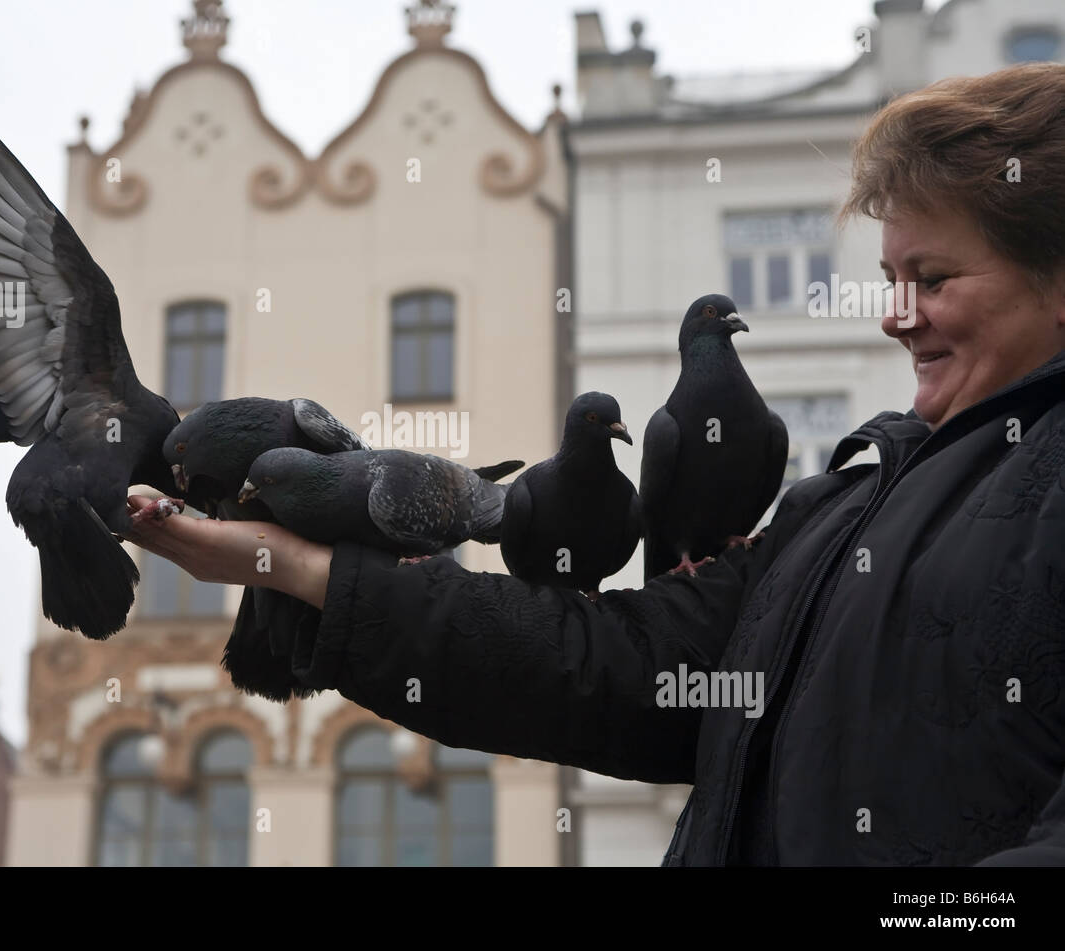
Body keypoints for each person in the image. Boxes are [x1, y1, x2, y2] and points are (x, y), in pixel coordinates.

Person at [125, 63, 1065, 865]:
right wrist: (299, 568)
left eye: (933, 280)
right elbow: (623, 665)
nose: (895, 316)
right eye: (892, 281)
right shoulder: (847, 506)